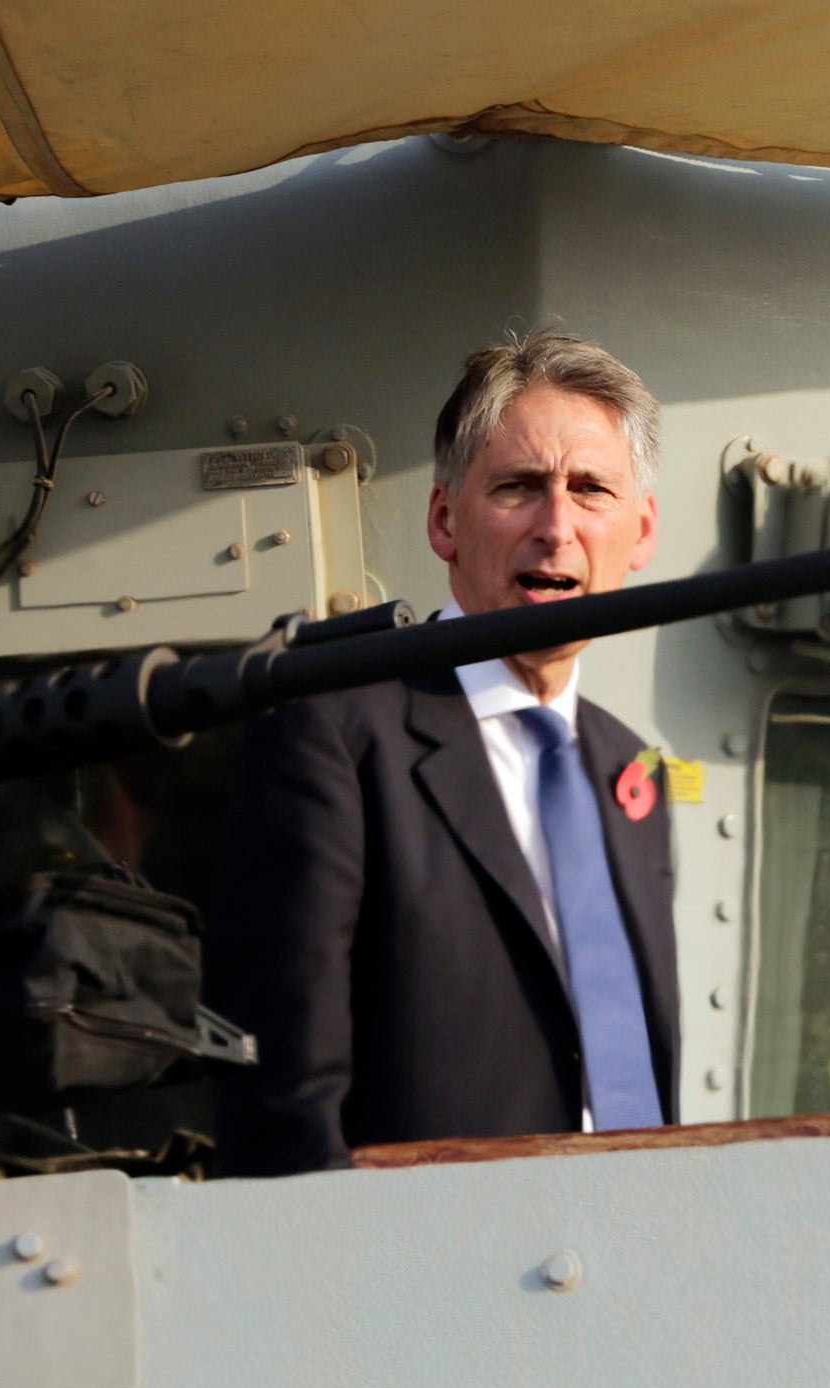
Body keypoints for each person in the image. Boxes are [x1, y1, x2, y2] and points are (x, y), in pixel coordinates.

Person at [206, 330, 679, 1175]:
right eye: (519, 488)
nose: (557, 526)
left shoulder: (627, 767)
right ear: (443, 520)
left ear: (640, 532)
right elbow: (280, 1085)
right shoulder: (335, 730)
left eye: (591, 490)